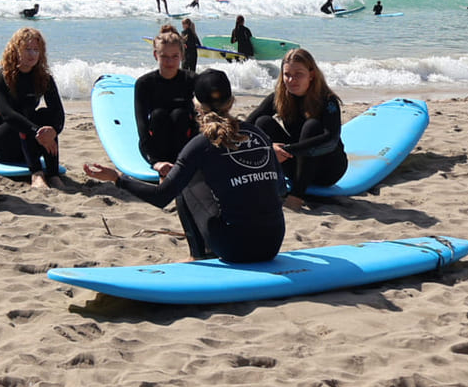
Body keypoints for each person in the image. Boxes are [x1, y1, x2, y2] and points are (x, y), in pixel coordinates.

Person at [84, 68, 285, 264]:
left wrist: (117, 178)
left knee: (184, 179)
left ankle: (196, 255)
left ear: (196, 104)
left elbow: (162, 196)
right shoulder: (259, 135)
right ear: (231, 101)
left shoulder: (201, 144)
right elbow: (280, 188)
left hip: (235, 248)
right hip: (273, 243)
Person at [247, 48, 345, 209]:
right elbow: (248, 124)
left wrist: (287, 150)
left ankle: (297, 196)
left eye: (298, 74)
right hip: (296, 167)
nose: (291, 80)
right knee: (263, 122)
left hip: (328, 169)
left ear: (311, 75)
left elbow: (330, 139)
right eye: (287, 74)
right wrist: (268, 148)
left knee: (311, 126)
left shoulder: (328, 100)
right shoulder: (280, 97)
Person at [0, 26, 65, 189]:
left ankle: (53, 174)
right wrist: (37, 131)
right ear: (16, 50)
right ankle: (36, 174)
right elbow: (8, 115)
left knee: (45, 116)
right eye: (27, 49)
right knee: (26, 116)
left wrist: (53, 131)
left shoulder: (44, 78)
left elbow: (58, 113)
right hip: (2, 143)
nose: (32, 54)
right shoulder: (2, 77)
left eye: (36, 50)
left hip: (29, 142)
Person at [133, 25, 197, 167]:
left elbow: (198, 124)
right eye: (164, 56)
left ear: (182, 55)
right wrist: (154, 162)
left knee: (180, 114)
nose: (170, 62)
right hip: (156, 150)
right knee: (159, 115)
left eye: (175, 56)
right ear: (156, 55)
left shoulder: (192, 80)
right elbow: (142, 126)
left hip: (186, 150)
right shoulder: (144, 83)